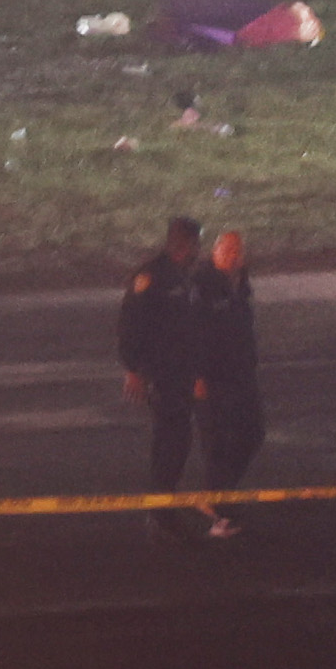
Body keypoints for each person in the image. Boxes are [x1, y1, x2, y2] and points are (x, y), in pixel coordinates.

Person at [116, 217, 205, 497]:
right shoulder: (152, 277)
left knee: (179, 439)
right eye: (196, 243)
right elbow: (129, 325)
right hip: (162, 375)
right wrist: (133, 370)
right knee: (170, 440)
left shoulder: (183, 274)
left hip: (182, 372)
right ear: (186, 243)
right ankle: (161, 509)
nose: (199, 250)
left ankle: (165, 500)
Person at [191, 228, 265, 512]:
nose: (233, 256)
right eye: (227, 250)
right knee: (216, 443)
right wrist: (196, 376)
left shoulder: (241, 286)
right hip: (212, 379)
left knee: (253, 432)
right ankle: (217, 509)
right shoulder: (200, 286)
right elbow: (191, 334)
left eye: (238, 251)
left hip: (241, 375)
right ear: (214, 253)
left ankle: (217, 495)